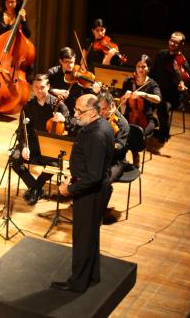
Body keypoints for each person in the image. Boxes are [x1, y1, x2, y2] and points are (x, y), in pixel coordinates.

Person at [51, 94, 114, 293]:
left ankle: (77, 283)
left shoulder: (96, 135)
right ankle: (92, 275)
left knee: (82, 238)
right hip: (90, 188)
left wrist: (69, 189)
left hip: (90, 193)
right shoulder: (99, 125)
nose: (76, 115)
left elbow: (94, 176)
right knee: (90, 235)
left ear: (94, 112)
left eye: (80, 111)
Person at [11, 74, 70, 205]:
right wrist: (24, 146)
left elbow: (70, 122)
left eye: (42, 87)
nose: (39, 90)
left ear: (48, 87)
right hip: (31, 144)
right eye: (36, 87)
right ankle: (36, 188)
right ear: (32, 88)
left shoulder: (58, 104)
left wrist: (64, 118)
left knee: (54, 165)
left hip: (50, 146)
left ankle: (35, 189)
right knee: (14, 160)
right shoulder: (28, 106)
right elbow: (22, 130)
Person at [121, 54, 162, 166]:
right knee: (119, 129)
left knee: (135, 133)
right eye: (138, 66)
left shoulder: (152, 84)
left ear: (148, 68)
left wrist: (143, 94)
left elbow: (158, 99)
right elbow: (121, 101)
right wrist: (125, 96)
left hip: (146, 119)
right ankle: (121, 158)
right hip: (129, 116)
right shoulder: (129, 81)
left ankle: (135, 154)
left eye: (143, 67)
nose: (140, 69)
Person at [150, 31, 190, 143]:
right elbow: (152, 73)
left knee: (162, 106)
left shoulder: (183, 63)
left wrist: (181, 87)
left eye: (176, 42)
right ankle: (146, 127)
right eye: (171, 40)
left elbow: (184, 81)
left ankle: (164, 134)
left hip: (172, 96)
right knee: (143, 101)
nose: (172, 43)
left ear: (181, 45)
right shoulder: (161, 54)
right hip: (157, 91)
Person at [47, 47, 99, 118]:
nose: (70, 65)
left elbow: (89, 93)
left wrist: (95, 91)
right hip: (56, 109)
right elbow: (42, 87)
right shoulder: (53, 72)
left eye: (71, 62)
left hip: (74, 112)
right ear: (61, 61)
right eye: (66, 62)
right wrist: (54, 90)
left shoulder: (79, 73)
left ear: (74, 60)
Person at [97, 92, 129, 183]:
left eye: (104, 109)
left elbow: (120, 146)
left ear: (112, 105)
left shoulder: (122, 124)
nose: (101, 112)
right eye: (99, 109)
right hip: (99, 157)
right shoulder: (99, 117)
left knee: (104, 181)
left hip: (116, 160)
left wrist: (106, 145)